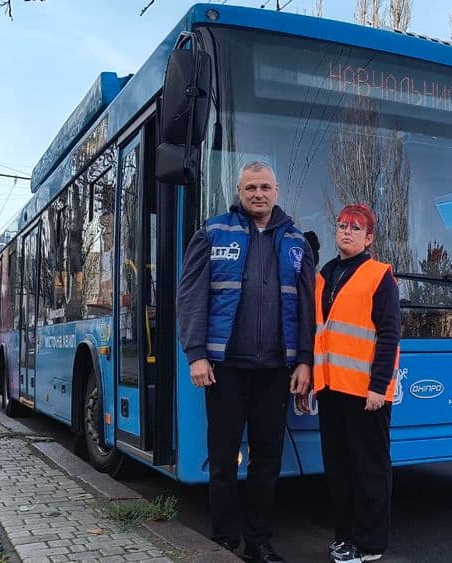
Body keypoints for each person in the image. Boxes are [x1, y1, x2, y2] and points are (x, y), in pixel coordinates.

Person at [176, 160, 315, 563]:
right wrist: (196, 354)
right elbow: (191, 296)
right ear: (239, 191)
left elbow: (306, 307)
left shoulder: (296, 242)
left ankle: (258, 542)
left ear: (277, 191)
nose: (258, 194)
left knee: (267, 460)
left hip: (276, 372)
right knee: (222, 460)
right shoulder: (213, 232)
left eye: (265, 187)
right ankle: (223, 540)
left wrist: (304, 360)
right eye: (251, 187)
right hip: (226, 371)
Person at [304, 204, 400, 563]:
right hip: (332, 390)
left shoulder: (379, 277)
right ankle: (345, 537)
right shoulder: (325, 277)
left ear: (369, 238)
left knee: (369, 469)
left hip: (366, 394)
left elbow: (389, 335)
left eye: (356, 228)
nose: (346, 231)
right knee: (340, 468)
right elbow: (320, 335)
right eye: (342, 225)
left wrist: (379, 386)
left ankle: (370, 544)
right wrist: (313, 381)